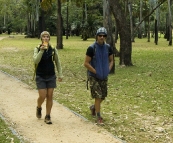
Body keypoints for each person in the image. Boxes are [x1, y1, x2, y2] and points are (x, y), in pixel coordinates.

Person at [84, 27, 114, 125]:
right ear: (96, 36)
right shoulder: (92, 48)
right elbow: (86, 63)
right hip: (93, 76)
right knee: (98, 95)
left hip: (104, 75)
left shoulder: (108, 47)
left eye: (104, 36)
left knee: (103, 96)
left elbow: (111, 60)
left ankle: (93, 107)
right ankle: (99, 116)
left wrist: (108, 69)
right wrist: (95, 71)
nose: (102, 37)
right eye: (100, 35)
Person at [33, 31, 63, 124]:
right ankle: (39, 107)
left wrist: (60, 74)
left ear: (49, 38)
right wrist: (41, 51)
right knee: (42, 96)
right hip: (40, 75)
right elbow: (36, 60)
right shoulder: (37, 49)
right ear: (41, 38)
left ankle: (48, 116)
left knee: (50, 96)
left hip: (51, 75)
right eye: (44, 37)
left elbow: (57, 62)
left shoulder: (53, 49)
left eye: (47, 37)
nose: (45, 38)